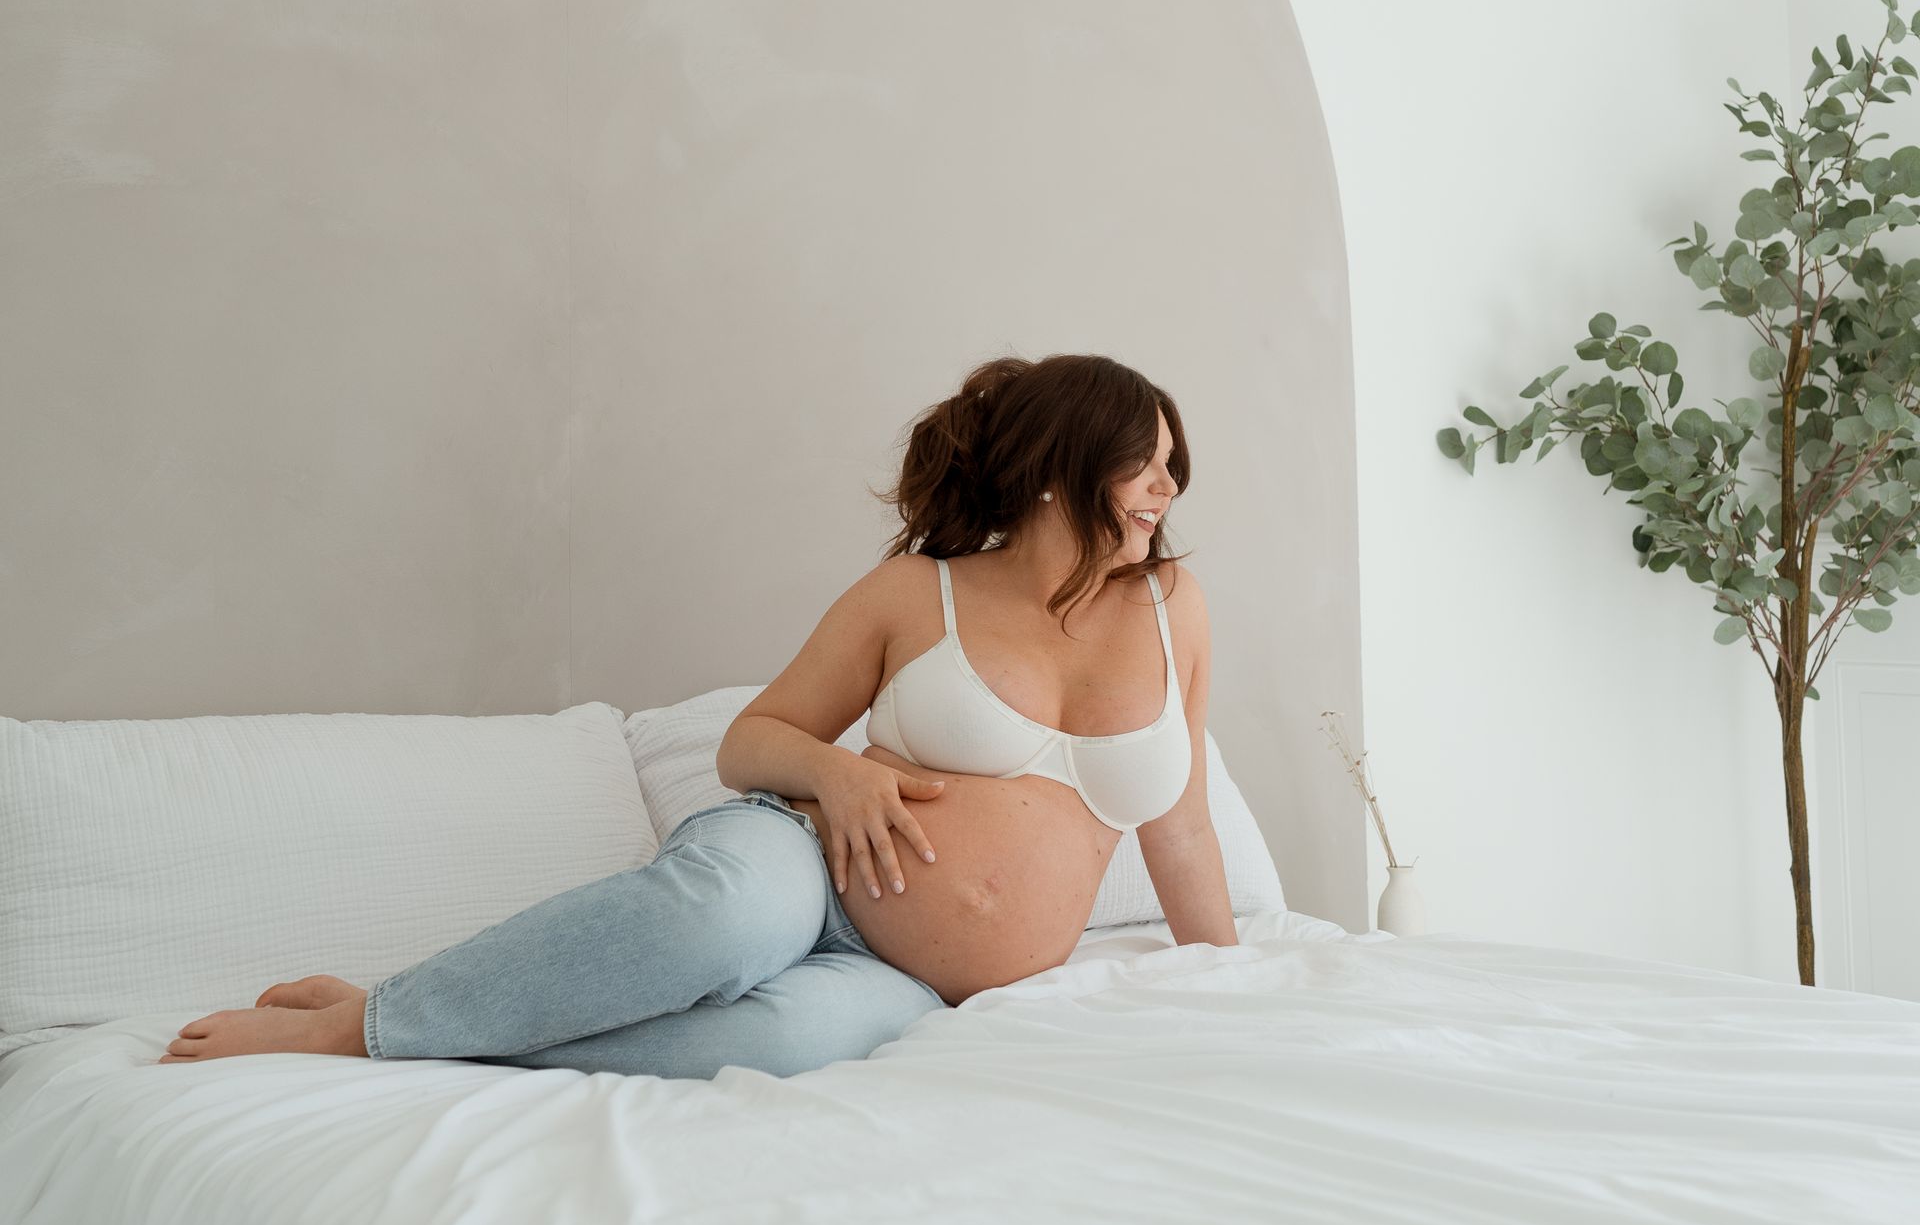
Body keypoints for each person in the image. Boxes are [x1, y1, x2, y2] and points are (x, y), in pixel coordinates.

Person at [161, 352, 1236, 1077]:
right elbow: (750, 743)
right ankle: (357, 1027)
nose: (1166, 488)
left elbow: (1179, 824)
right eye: (1145, 463)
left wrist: (1238, 983)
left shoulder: (1170, 607)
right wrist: (842, 773)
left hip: (906, 980)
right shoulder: (920, 593)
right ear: (1061, 470)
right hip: (805, 863)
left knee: (776, 1045)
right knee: (719, 924)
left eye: (1172, 466)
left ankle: (434, 1023)